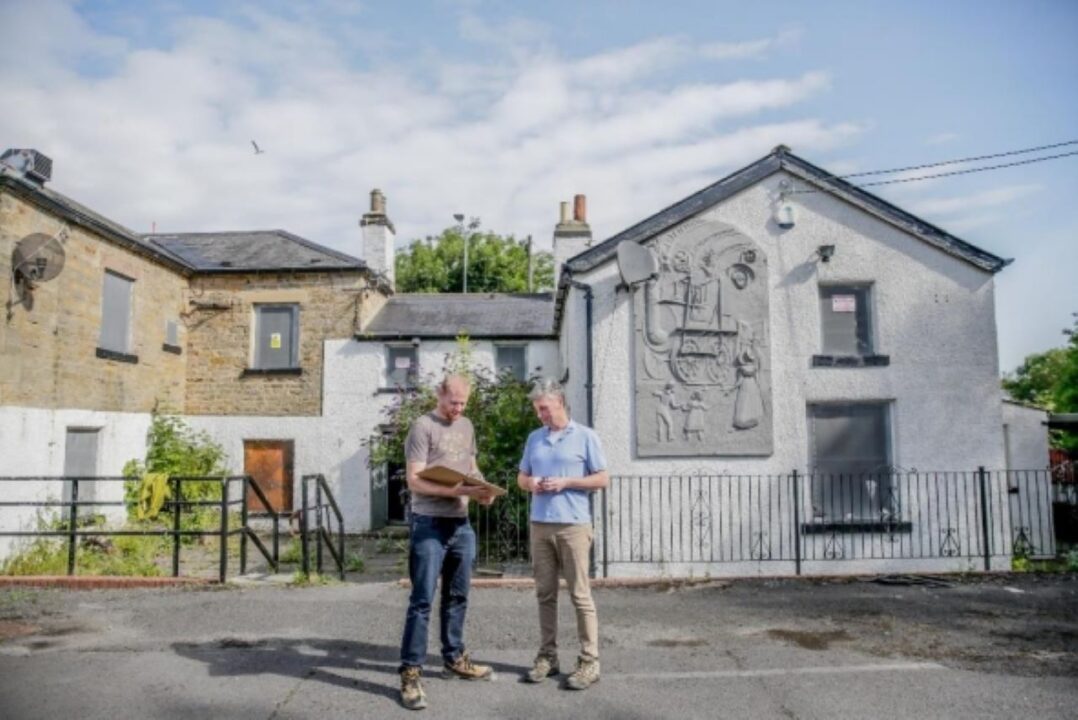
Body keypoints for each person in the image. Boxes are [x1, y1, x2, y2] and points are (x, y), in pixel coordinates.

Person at [398, 374, 498, 711]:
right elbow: (414, 480)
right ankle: (411, 673)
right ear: (439, 394)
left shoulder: (467, 426)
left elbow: (471, 466)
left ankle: (454, 658)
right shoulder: (421, 427)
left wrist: (483, 490)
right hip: (428, 523)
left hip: (461, 524)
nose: (458, 408)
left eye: (463, 403)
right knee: (422, 599)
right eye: (452, 401)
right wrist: (453, 491)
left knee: (458, 595)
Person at [516, 379, 609, 690]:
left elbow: (602, 478)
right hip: (540, 525)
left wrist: (565, 482)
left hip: (573, 526)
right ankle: (548, 657)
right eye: (537, 409)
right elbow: (522, 477)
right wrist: (533, 484)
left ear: (559, 403)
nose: (540, 414)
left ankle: (589, 661)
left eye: (543, 408)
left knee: (580, 595)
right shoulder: (534, 439)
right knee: (545, 594)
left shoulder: (585, 436)